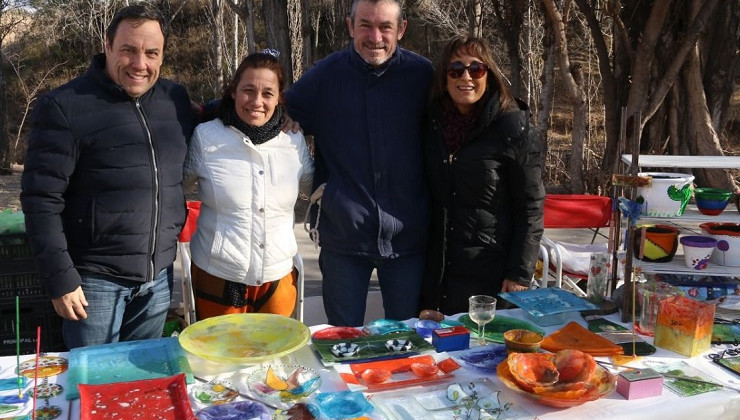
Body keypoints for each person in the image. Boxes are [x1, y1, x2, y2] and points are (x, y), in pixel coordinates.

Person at [20, 4, 196, 348]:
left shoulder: (174, 99)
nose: (140, 64)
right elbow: (40, 200)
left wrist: (279, 115)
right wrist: (61, 279)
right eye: (129, 50)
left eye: (151, 53)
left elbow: (219, 116)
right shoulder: (65, 107)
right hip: (93, 283)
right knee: (92, 386)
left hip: (157, 278)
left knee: (139, 382)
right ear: (108, 45)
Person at [284, 0, 433, 327]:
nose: (375, 36)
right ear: (350, 27)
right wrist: (202, 114)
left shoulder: (423, 76)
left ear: (402, 29)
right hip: (344, 239)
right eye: (365, 25)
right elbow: (267, 107)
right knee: (342, 340)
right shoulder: (325, 77)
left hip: (409, 240)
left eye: (385, 27)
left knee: (406, 340)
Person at [420, 35, 545, 315]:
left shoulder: (512, 127)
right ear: (445, 77)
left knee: (482, 350)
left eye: (476, 69)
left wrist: (520, 273)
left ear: (488, 74)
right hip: (436, 270)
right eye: (456, 70)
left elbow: (531, 207)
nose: (466, 77)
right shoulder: (431, 123)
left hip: (490, 272)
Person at [184, 51, 314, 319]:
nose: (257, 101)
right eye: (248, 90)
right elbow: (177, 185)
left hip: (277, 278)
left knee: (274, 359)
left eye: (268, 93)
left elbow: (313, 189)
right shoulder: (206, 137)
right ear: (233, 91)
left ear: (279, 98)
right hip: (218, 277)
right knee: (220, 360)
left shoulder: (293, 141)